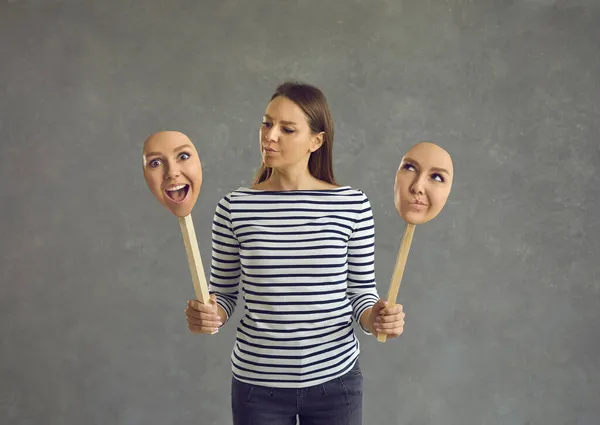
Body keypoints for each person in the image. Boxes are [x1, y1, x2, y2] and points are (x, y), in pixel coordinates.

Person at [185, 81, 406, 425]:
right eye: (266, 123)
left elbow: (361, 294)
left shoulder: (352, 205)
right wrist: (210, 314)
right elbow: (225, 294)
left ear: (316, 141)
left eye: (287, 129)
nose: (270, 135)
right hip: (258, 387)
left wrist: (375, 317)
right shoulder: (234, 207)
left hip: (336, 383)